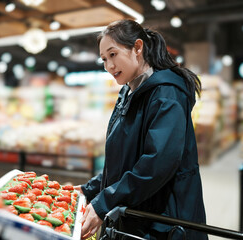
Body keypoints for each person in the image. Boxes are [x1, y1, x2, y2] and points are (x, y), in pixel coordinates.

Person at [75, 19, 208, 240]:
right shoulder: (129, 93)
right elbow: (125, 161)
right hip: (139, 216)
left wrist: (105, 202)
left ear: (137, 48)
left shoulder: (166, 94)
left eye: (113, 54)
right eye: (104, 59)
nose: (108, 66)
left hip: (164, 223)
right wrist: (89, 189)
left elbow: (157, 164)